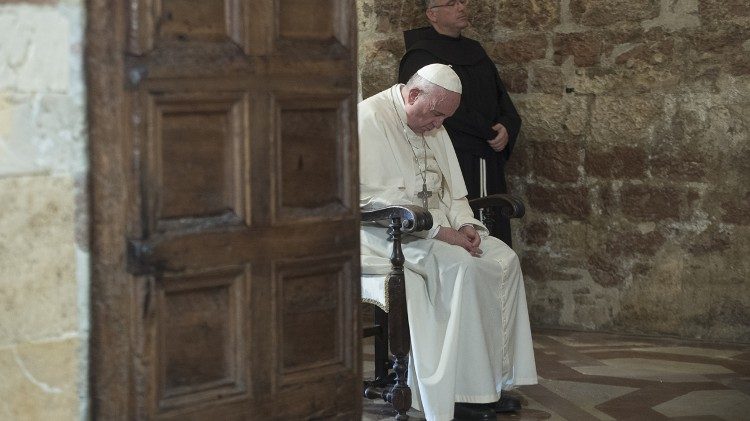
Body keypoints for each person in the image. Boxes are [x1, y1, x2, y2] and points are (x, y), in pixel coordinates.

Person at [360, 63, 537, 421]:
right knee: (461, 266)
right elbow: (370, 199)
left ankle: (491, 382)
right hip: (387, 233)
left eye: (445, 118)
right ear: (413, 95)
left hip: (435, 230)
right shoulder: (369, 119)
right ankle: (457, 392)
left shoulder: (433, 119)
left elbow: (452, 192)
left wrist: (467, 225)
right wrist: (442, 234)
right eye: (436, 115)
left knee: (502, 258)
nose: (439, 125)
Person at [398, 0, 522, 247]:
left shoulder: (475, 50)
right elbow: (434, 108)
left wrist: (507, 125)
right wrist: (486, 132)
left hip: (488, 154)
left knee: (493, 229)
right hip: (453, 152)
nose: (462, 7)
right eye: (452, 3)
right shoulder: (421, 55)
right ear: (432, 14)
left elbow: (500, 96)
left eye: (463, 2)